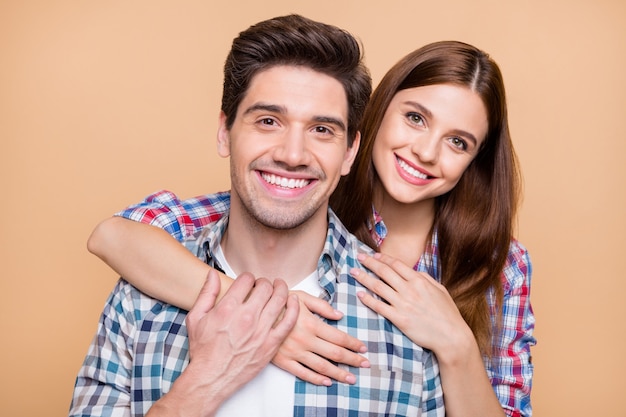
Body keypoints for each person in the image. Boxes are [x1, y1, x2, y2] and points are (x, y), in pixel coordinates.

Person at [89, 41, 534, 416]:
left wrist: (456, 344)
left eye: (458, 142)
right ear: (372, 120)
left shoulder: (500, 265)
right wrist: (265, 315)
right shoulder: (297, 199)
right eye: (415, 118)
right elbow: (115, 235)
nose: (426, 151)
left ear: (475, 160)